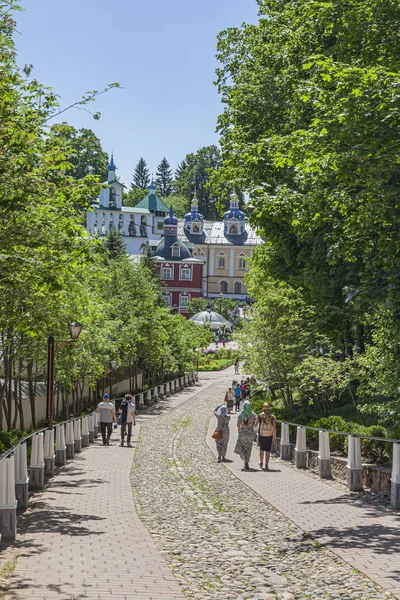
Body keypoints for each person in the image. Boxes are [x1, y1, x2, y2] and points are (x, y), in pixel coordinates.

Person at [234, 400, 257, 469]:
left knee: (241, 447)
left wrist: (240, 428)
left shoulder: (241, 414)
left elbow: (238, 425)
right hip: (250, 434)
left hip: (242, 433)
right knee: (248, 448)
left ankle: (244, 460)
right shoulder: (253, 415)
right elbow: (255, 425)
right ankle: (247, 461)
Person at [255, 403, 276, 470]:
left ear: (262, 408)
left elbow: (255, 425)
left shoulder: (259, 416)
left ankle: (261, 462)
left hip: (262, 434)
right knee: (268, 450)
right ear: (269, 408)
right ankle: (266, 464)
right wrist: (274, 435)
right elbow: (274, 427)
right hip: (269, 434)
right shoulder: (272, 417)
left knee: (261, 449)